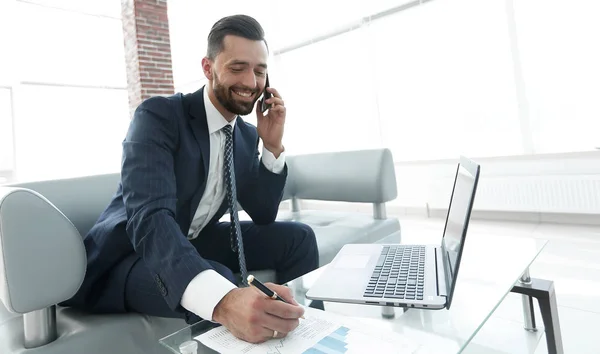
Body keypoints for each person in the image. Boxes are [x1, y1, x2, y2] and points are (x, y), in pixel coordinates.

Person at [62, 14, 319, 344]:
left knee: (298, 237)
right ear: (208, 68)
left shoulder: (244, 136)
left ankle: (310, 333)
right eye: (237, 67)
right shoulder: (158, 116)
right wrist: (225, 300)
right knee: (217, 279)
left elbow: (264, 213)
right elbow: (150, 219)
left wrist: (271, 146)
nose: (252, 83)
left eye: (259, 70)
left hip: (195, 238)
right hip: (132, 254)